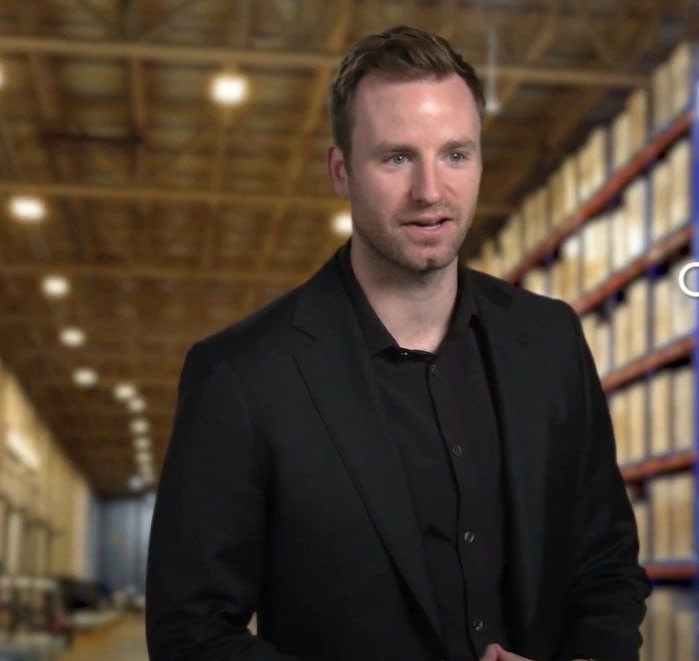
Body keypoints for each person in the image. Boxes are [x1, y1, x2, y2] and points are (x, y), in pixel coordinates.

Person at [144, 25, 651, 661]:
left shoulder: (550, 340)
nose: (431, 191)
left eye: (456, 155)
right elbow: (190, 635)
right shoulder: (243, 376)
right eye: (396, 157)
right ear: (340, 171)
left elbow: (605, 563)